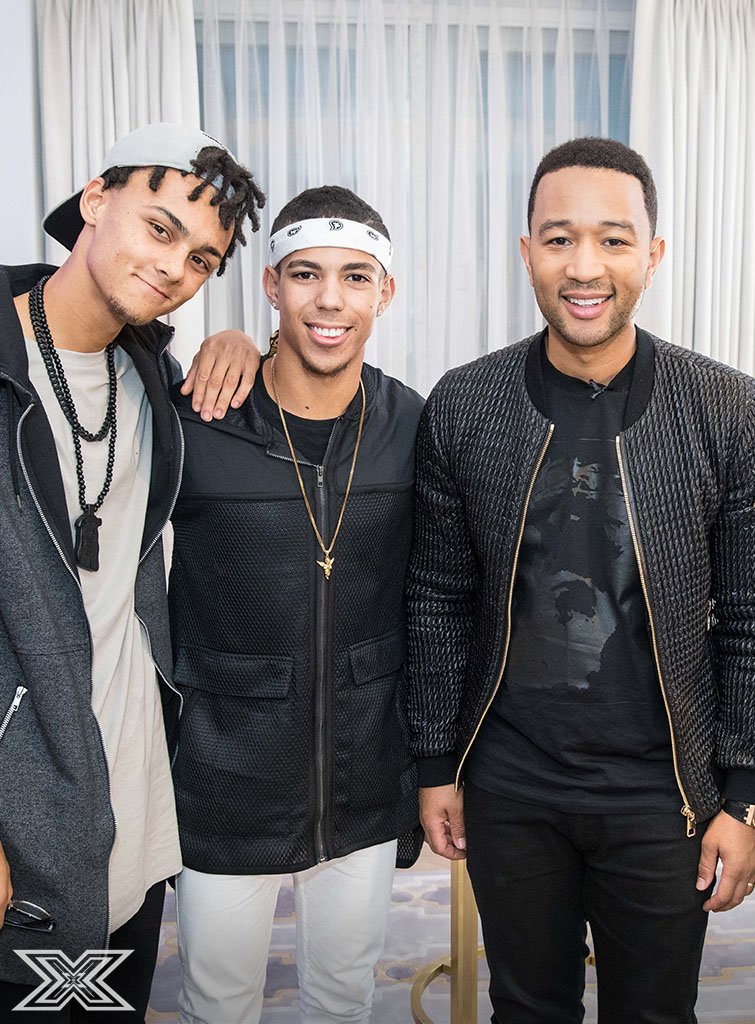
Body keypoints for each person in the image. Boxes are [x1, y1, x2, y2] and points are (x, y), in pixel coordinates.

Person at [406, 136, 755, 1023]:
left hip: (665, 789)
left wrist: (748, 798)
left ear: (653, 255)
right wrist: (435, 763)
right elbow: (437, 599)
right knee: (526, 1008)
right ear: (526, 253)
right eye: (559, 239)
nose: (585, 267)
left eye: (614, 240)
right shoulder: (466, 402)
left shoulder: (724, 407)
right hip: (511, 782)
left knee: (654, 1013)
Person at [0, 122, 264, 1020]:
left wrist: (241, 343)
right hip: (24, 825)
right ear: (94, 199)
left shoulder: (153, 378)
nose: (173, 268)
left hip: (136, 824)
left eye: (201, 260)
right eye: (159, 228)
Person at [168, 185, 423, 1024]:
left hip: (364, 778)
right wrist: (224, 343)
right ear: (271, 285)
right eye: (306, 274)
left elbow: (442, 599)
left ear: (385, 293)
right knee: (218, 1003)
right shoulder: (198, 417)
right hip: (222, 781)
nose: (330, 300)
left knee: (343, 1000)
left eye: (356, 277)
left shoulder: (413, 425)